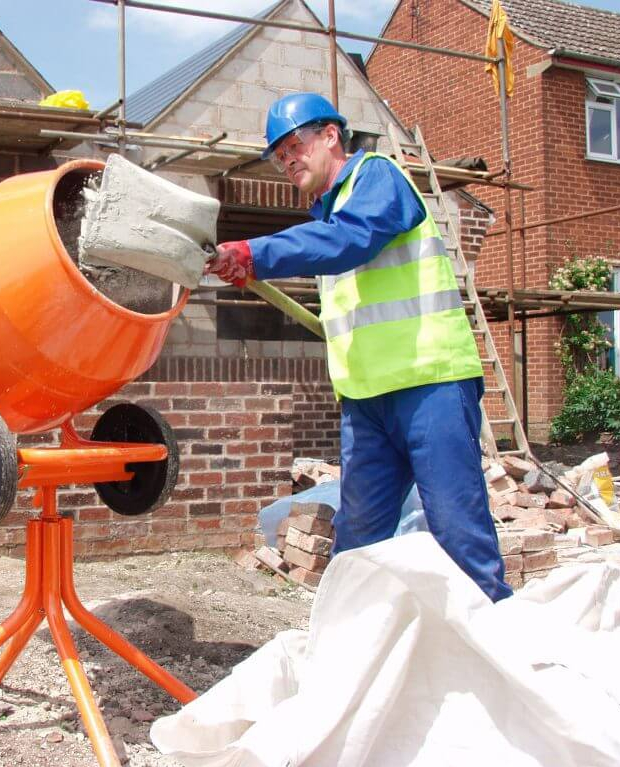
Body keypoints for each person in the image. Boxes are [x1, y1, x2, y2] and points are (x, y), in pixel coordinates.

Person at [207, 93, 512, 602]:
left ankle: (493, 650)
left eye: (294, 146)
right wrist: (253, 263)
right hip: (366, 402)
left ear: (330, 135)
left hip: (428, 383)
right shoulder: (330, 217)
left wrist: (255, 253)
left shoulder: (376, 178)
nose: (288, 162)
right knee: (357, 546)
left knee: (459, 534)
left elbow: (350, 241)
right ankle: (352, 654)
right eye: (279, 157)